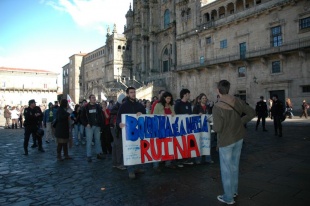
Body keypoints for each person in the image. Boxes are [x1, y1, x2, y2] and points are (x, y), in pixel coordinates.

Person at [213, 80, 255, 205]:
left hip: (226, 140)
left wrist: (213, 125)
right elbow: (252, 113)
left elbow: (218, 128)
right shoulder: (237, 101)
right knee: (234, 166)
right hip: (239, 137)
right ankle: (234, 191)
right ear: (228, 89)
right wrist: (240, 122)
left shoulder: (217, 106)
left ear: (218, 90)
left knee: (226, 169)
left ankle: (228, 197)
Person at [117, 87, 146, 179]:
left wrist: (141, 113)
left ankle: (137, 167)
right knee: (129, 150)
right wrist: (119, 124)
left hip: (138, 131)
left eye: (134, 92)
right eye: (131, 92)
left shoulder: (139, 105)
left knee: (138, 149)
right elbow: (118, 117)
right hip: (128, 131)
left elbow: (145, 115)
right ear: (128, 94)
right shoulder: (124, 105)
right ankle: (130, 170)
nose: (133, 94)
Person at [153, 91, 176, 170]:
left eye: (170, 98)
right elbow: (154, 116)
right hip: (160, 129)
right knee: (159, 146)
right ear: (164, 98)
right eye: (167, 98)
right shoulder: (158, 105)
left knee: (169, 146)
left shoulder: (171, 106)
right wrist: (161, 116)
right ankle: (156, 165)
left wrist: (173, 115)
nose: (169, 100)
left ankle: (168, 162)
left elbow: (175, 116)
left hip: (169, 130)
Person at [81, 94, 105, 162]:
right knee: (89, 141)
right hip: (89, 126)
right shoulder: (86, 107)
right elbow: (82, 117)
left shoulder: (98, 106)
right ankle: (89, 155)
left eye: (94, 97)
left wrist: (101, 123)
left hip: (97, 126)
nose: (94, 99)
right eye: (92, 98)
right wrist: (86, 123)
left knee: (98, 140)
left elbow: (101, 115)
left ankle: (99, 153)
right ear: (90, 99)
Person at [193, 94, 214, 164]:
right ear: (200, 99)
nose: (204, 99)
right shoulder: (196, 107)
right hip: (199, 127)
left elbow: (211, 115)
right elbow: (193, 117)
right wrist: (198, 116)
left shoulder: (208, 107)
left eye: (205, 98)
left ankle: (208, 158)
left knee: (207, 142)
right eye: (203, 98)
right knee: (199, 142)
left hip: (207, 127)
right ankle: (198, 159)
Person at [174, 88, 193, 166]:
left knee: (186, 143)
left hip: (187, 127)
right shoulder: (178, 104)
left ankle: (186, 159)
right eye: (188, 94)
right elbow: (176, 115)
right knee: (180, 143)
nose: (189, 96)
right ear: (185, 95)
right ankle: (178, 160)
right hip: (180, 127)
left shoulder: (189, 104)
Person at [110, 93, 127, 170]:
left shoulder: (117, 107)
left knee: (115, 145)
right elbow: (115, 119)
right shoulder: (117, 108)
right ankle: (118, 163)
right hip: (115, 128)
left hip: (116, 128)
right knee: (118, 145)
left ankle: (115, 162)